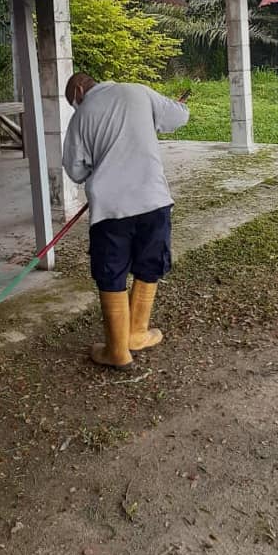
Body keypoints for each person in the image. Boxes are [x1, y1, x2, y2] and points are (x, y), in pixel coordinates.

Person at [62, 74, 189, 370]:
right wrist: (169, 108)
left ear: (79, 90)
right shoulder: (138, 91)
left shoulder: (81, 116)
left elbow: (75, 170)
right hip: (153, 201)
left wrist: (98, 167)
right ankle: (138, 334)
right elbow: (179, 117)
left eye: (73, 101)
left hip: (110, 209)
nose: (75, 105)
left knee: (111, 271)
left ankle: (118, 351)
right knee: (149, 264)